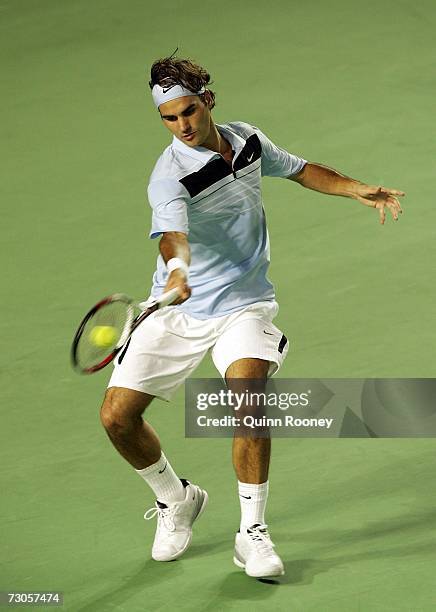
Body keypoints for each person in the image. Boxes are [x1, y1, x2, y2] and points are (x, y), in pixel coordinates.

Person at [99, 53, 404, 579]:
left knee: (249, 399)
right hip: (180, 306)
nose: (182, 126)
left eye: (188, 111)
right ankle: (177, 498)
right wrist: (177, 271)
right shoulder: (169, 175)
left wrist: (354, 186)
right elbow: (174, 236)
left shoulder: (248, 141)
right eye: (169, 118)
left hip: (244, 301)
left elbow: (301, 169)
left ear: (207, 102)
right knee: (116, 417)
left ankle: (252, 533)